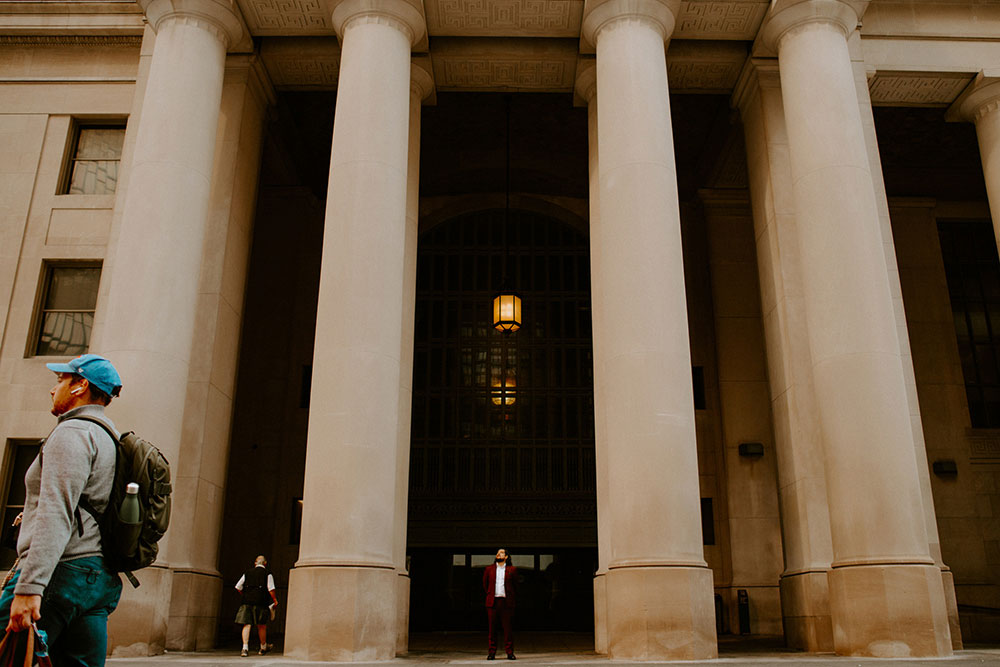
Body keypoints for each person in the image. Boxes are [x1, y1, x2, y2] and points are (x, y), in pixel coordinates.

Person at [0, 354, 124, 666]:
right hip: (97, 580)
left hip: (60, 574)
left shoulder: (72, 433)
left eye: (60, 380)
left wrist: (30, 588)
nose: (53, 389)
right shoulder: (110, 438)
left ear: (81, 385)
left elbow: (56, 511)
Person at [234, 555, 278, 656]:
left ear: (255, 563)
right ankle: (263, 648)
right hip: (261, 602)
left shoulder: (247, 573)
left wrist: (245, 594)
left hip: (247, 602)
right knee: (261, 625)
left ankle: (245, 648)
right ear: (265, 563)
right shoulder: (268, 573)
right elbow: (271, 589)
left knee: (247, 624)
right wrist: (275, 600)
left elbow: (238, 586)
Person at [482, 548, 517, 660]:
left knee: (508, 629)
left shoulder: (512, 569)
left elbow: (516, 586)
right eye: (497, 553)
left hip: (506, 603)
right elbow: (485, 584)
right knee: (492, 629)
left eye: (501, 553)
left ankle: (509, 652)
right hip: (493, 602)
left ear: (506, 556)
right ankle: (492, 652)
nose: (498, 554)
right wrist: (490, 594)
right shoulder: (489, 569)